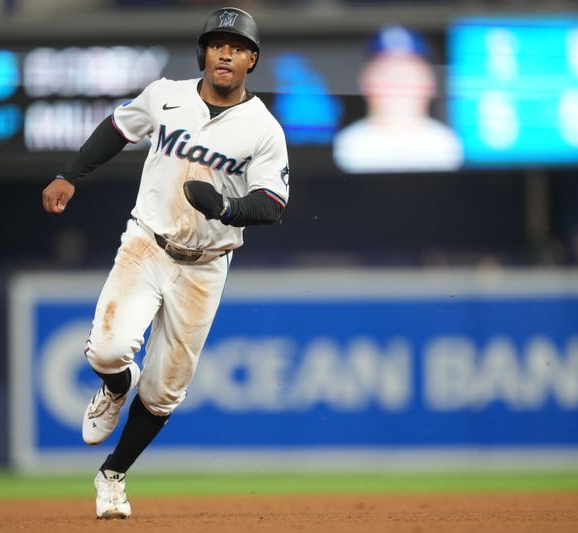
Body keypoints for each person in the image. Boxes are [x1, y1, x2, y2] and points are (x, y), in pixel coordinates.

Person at [41, 6, 289, 520]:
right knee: (108, 352)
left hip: (206, 263)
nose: (226, 51)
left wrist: (226, 207)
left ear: (251, 61)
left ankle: (112, 475)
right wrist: (70, 174)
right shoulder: (165, 95)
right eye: (218, 42)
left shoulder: (263, 128)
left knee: (164, 392)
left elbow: (273, 203)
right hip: (148, 243)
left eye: (238, 46)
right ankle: (114, 385)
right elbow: (117, 128)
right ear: (204, 52)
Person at [333, 25, 463, 173]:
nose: (398, 83)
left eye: (408, 73)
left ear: (431, 82)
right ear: (365, 81)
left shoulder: (447, 145)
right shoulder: (348, 146)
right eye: (386, 73)